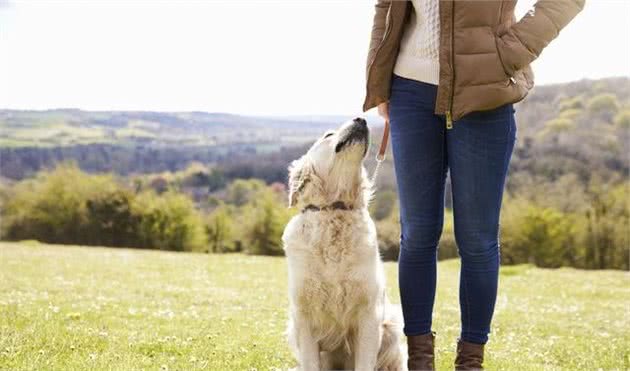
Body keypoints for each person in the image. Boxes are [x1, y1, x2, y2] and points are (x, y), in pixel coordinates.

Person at [363, 1, 585, 370]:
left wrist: (510, 51)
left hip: (485, 92)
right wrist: (379, 80)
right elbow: (386, 6)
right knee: (417, 234)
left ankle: (470, 361)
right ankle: (419, 360)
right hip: (411, 94)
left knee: (478, 240)